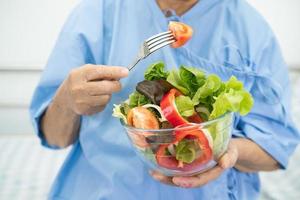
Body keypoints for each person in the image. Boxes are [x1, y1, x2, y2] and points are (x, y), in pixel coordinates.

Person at [30, 0, 300, 199]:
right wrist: (66, 100)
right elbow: (54, 138)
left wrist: (227, 150)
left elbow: (276, 148)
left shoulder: (249, 28)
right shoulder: (97, 12)